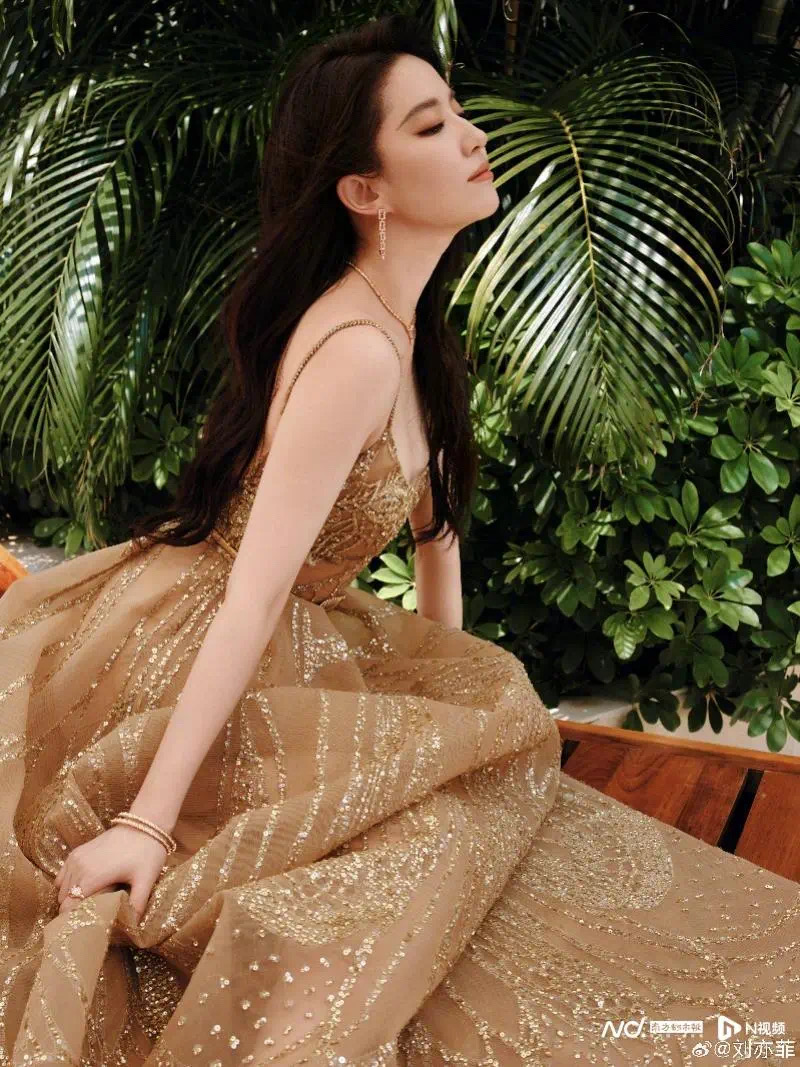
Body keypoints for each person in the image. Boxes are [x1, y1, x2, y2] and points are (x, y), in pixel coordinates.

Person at [1, 13, 798, 1066]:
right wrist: (147, 824)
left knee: (478, 816)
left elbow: (435, 537)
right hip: (207, 639)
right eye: (430, 125)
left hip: (296, 630)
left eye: (457, 110)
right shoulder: (357, 353)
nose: (472, 135)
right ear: (363, 190)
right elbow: (251, 594)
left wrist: (451, 720)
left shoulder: (402, 325)